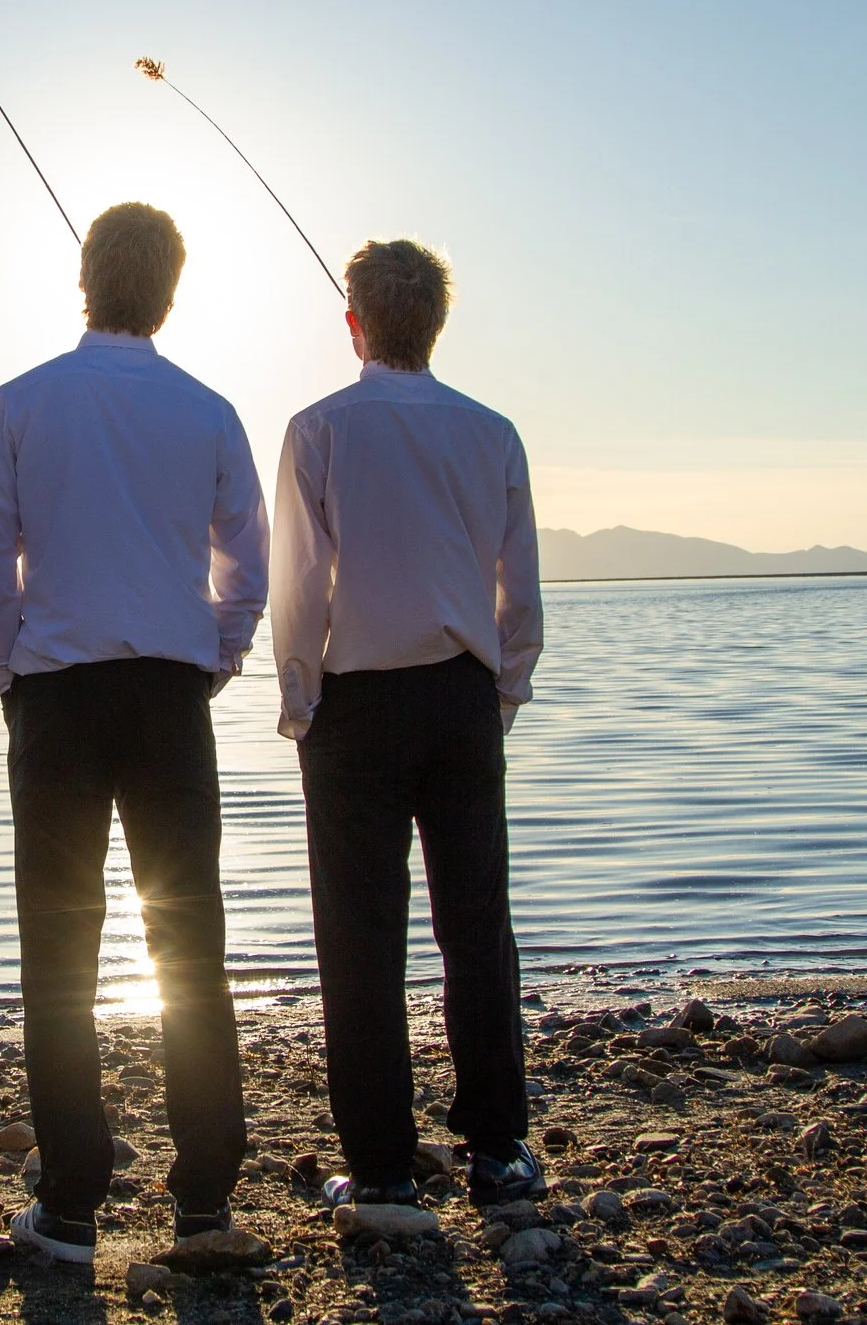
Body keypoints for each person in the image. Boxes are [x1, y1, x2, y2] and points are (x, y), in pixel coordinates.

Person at [0, 202, 268, 1265]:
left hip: (56, 698)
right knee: (190, 944)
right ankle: (202, 1202)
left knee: (60, 951)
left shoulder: (19, 402)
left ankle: (72, 1206)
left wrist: (8, 673)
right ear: (170, 290)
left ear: (85, 279)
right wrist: (212, 661)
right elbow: (248, 569)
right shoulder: (208, 409)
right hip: (168, 698)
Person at [269, 239, 546, 1213]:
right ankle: (499, 1149)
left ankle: (383, 1164)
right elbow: (519, 590)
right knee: (476, 925)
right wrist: (500, 691)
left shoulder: (317, 429)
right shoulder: (491, 431)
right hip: (465, 697)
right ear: (434, 323)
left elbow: (298, 582)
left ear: (355, 323)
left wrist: (298, 695)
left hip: (357, 704)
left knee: (359, 935)